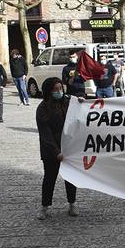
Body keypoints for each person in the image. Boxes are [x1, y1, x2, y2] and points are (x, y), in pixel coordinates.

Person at [35, 77, 80, 220]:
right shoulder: (43, 108)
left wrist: (82, 104)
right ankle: (45, 206)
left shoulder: (67, 102)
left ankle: (72, 203)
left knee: (71, 178)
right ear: (49, 91)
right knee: (50, 178)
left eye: (61, 88)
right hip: (51, 150)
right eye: (55, 89)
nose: (59, 92)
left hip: (68, 147)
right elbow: (45, 134)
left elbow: (78, 107)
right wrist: (56, 152)